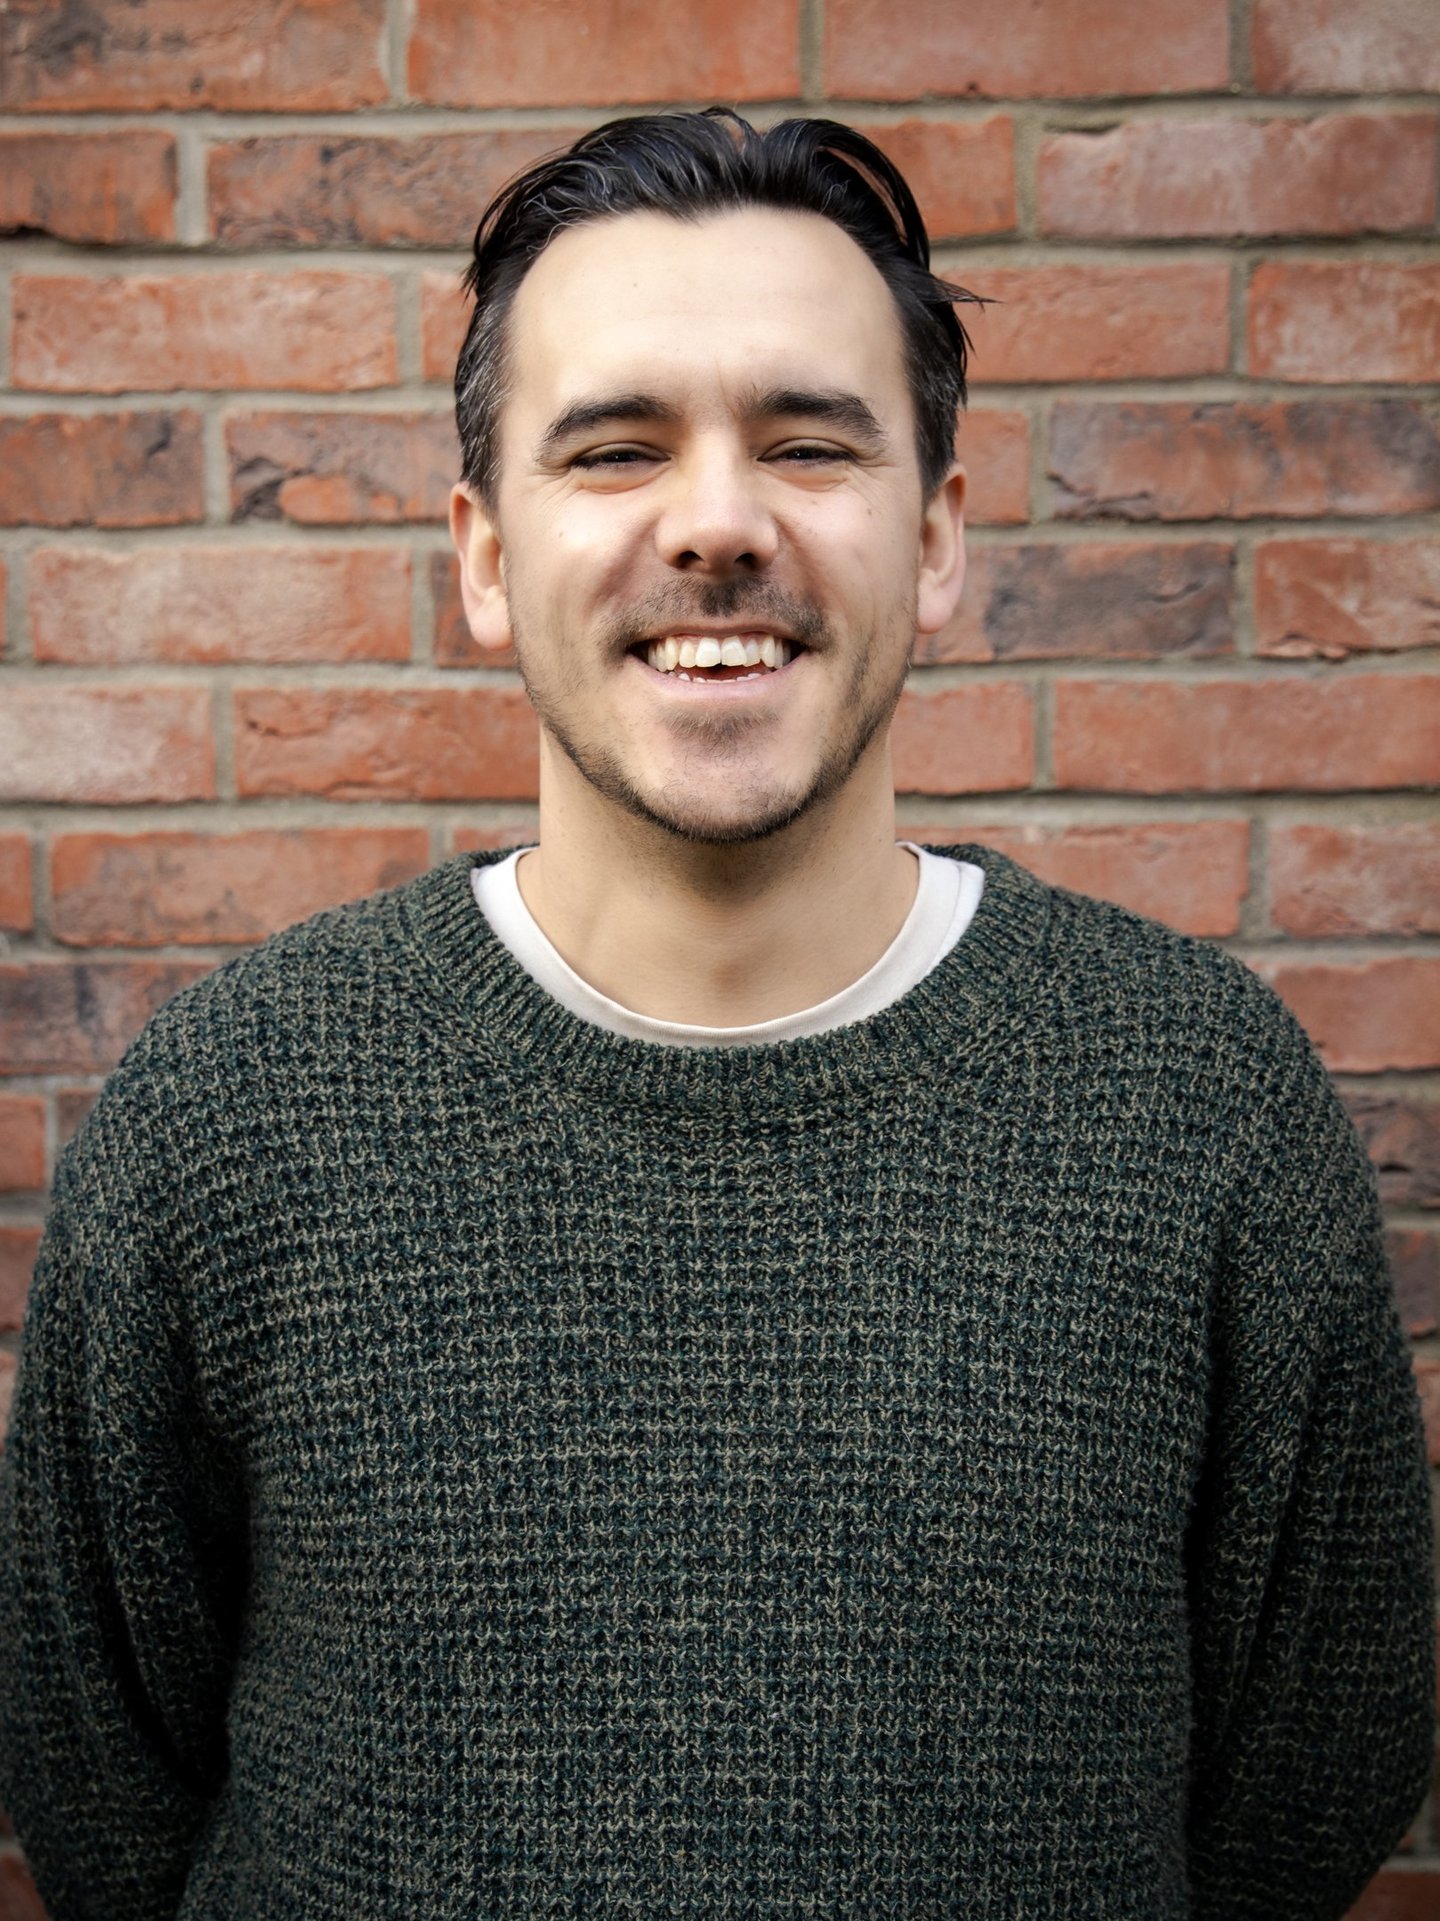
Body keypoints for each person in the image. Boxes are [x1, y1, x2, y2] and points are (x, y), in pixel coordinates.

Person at [0, 109, 1432, 1921]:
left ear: (934, 537)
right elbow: (97, 1786)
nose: (720, 525)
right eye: (612, 449)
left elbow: (1315, 1775)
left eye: (809, 442)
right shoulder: (222, 1120)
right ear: (487, 555)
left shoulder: (1202, 1105)